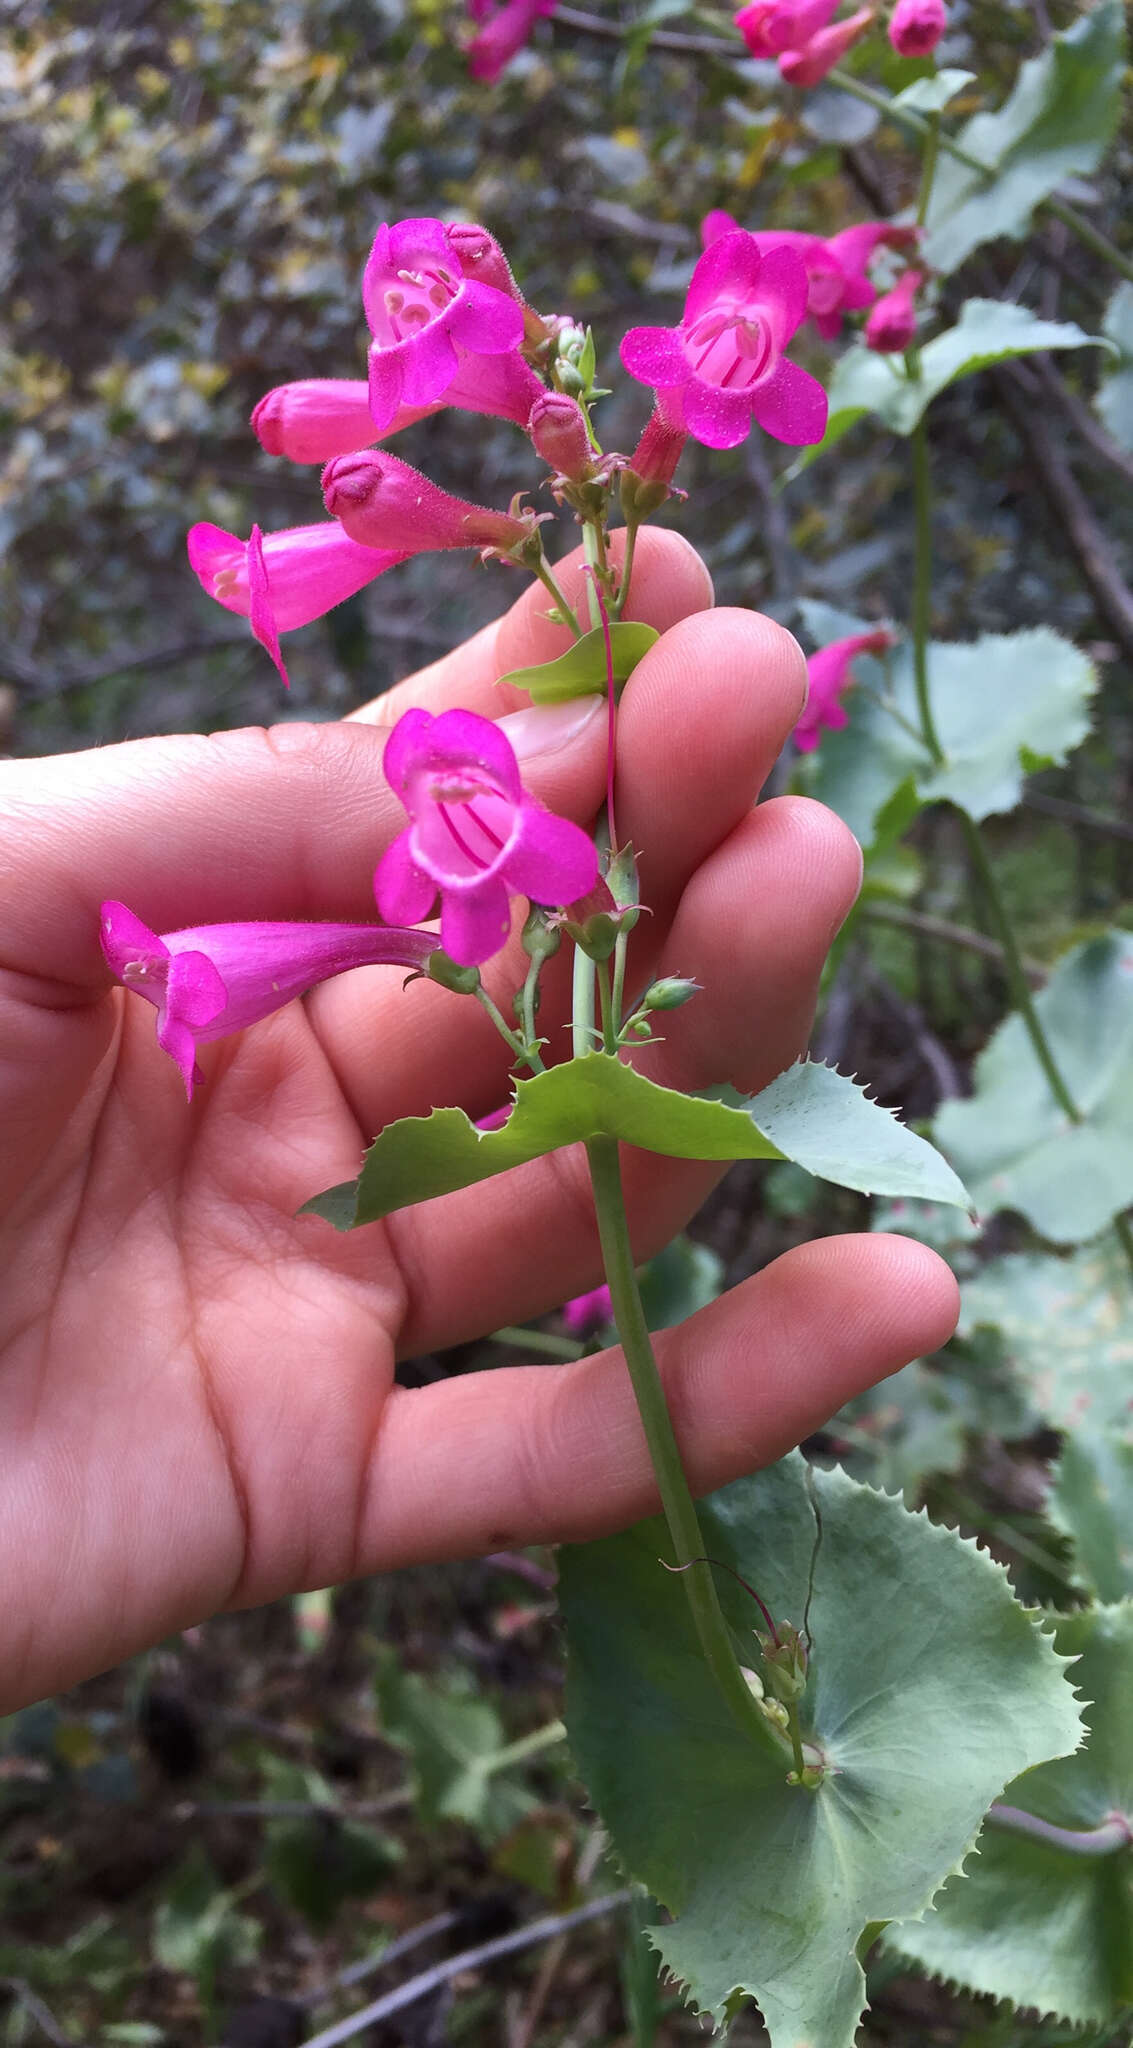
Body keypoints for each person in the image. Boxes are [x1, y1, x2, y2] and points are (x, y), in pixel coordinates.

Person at [0, 530, 958, 1711]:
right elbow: (443, 901)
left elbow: (507, 876)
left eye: (475, 792)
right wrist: (431, 929)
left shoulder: (522, 849)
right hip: (450, 933)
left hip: (488, 919)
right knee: (406, 946)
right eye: (433, 800)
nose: (456, 803)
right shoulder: (472, 865)